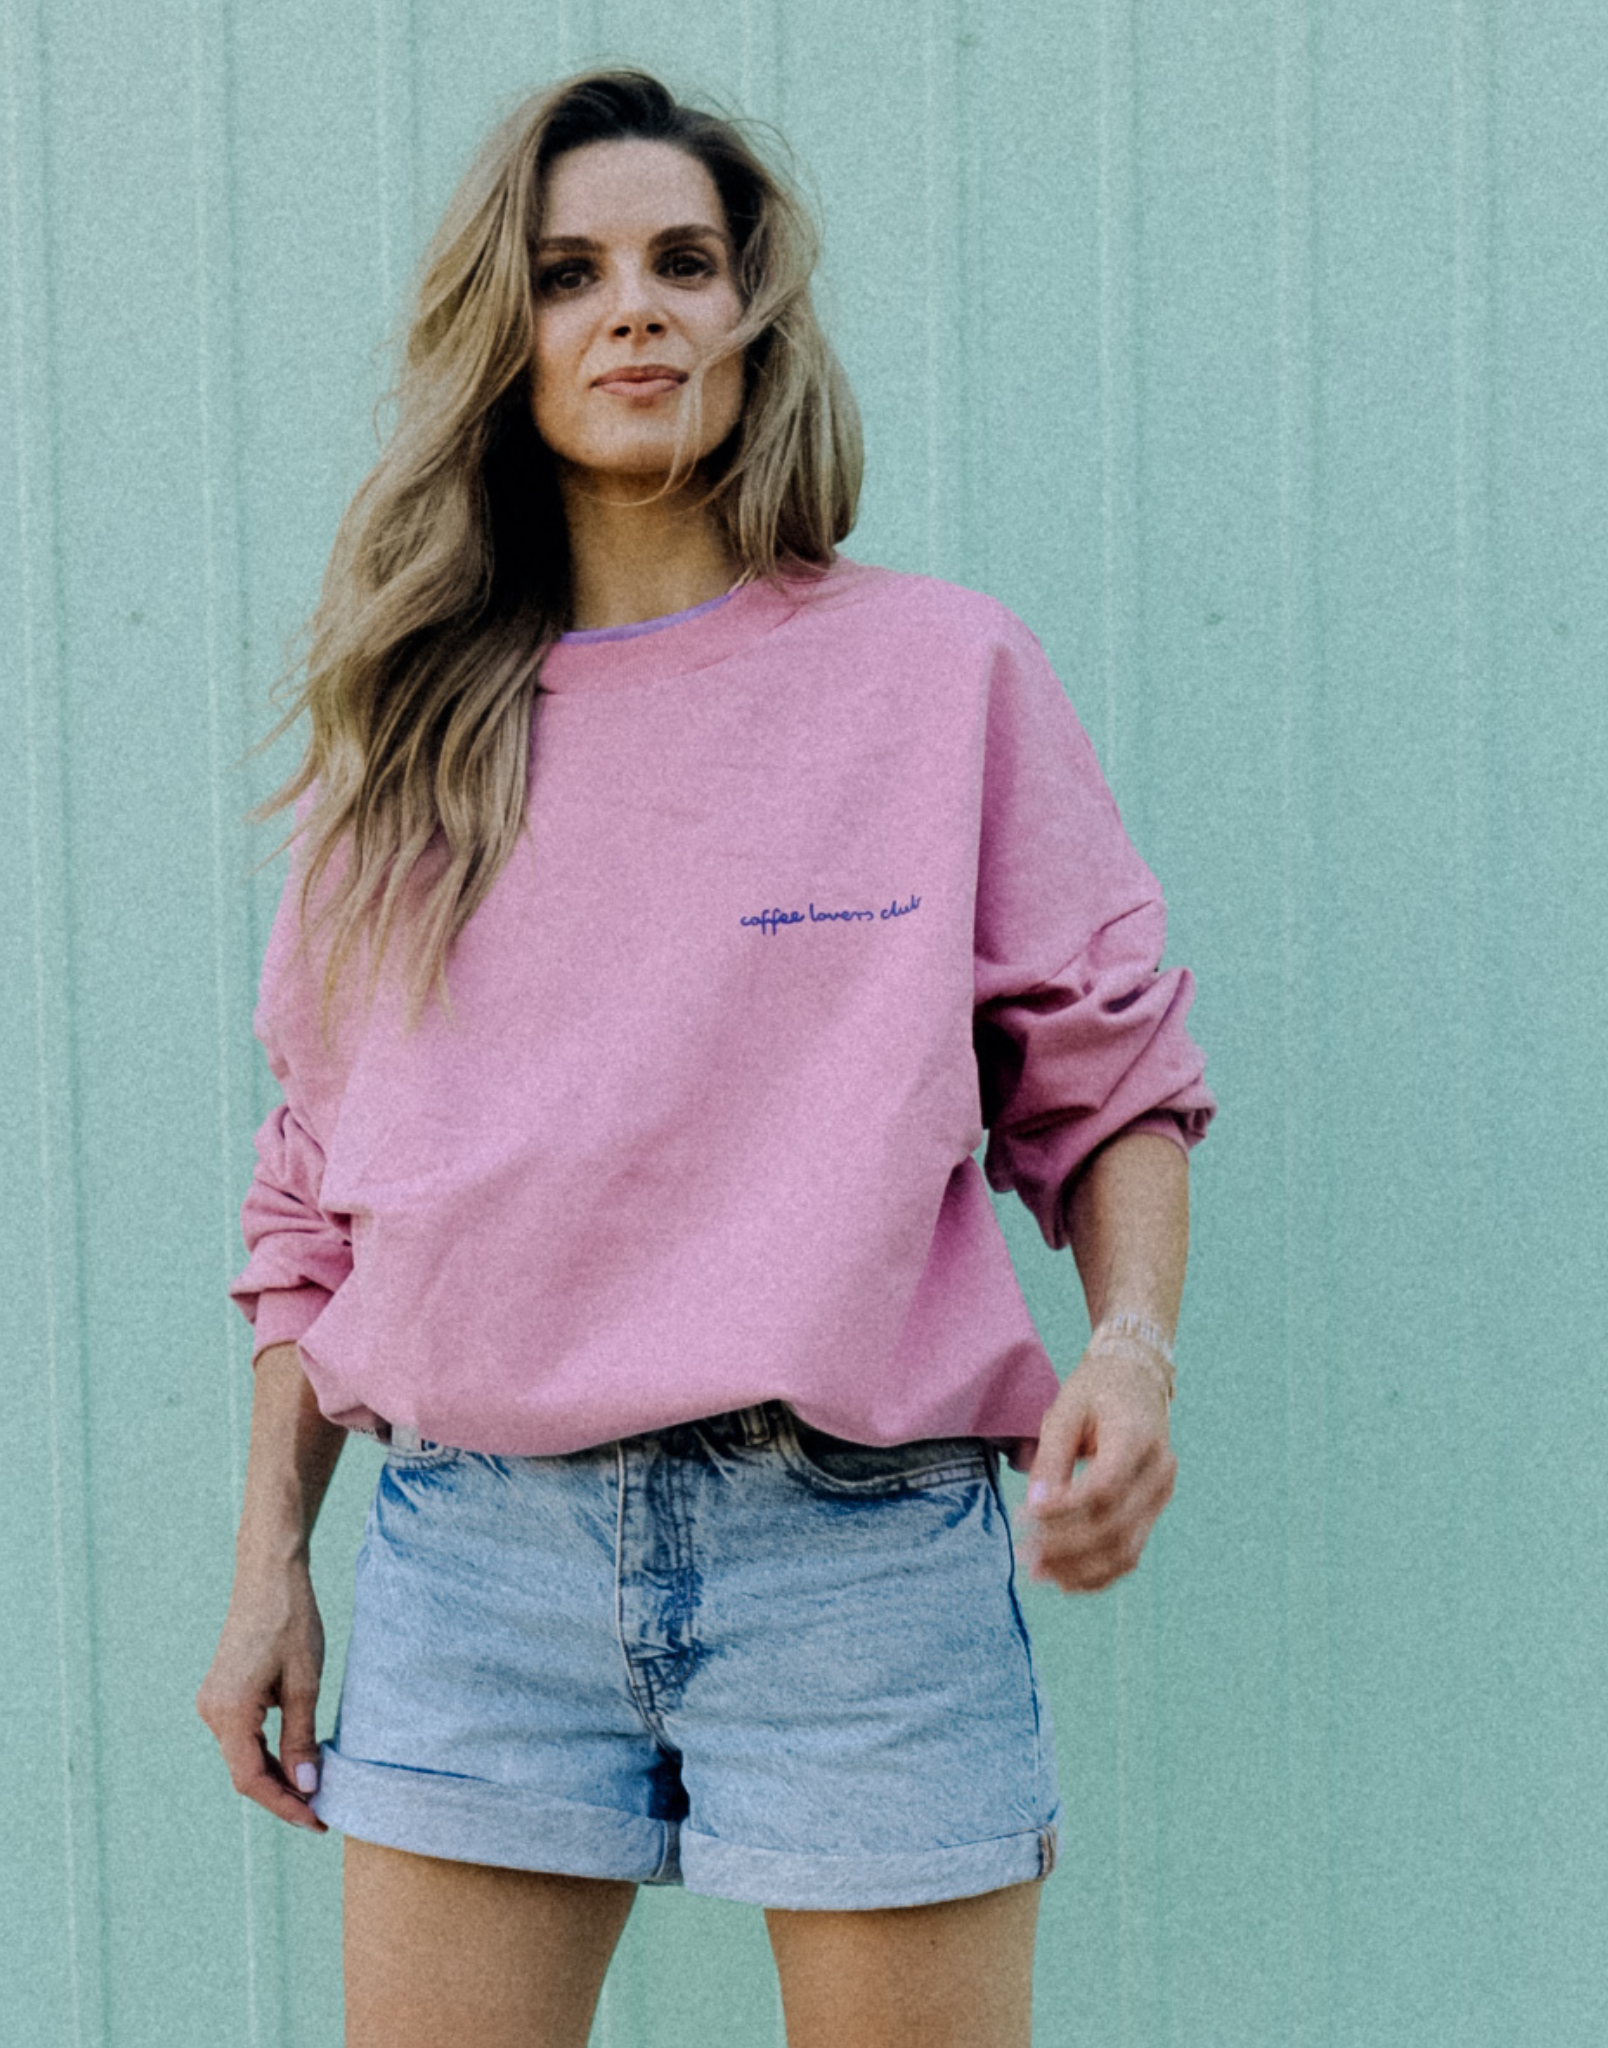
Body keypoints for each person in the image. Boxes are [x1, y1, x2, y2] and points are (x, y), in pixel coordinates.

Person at [195, 65, 1215, 2048]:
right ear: (507, 339)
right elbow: (313, 1192)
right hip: (478, 1564)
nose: (634, 309)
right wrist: (267, 1567)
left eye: (684, 261)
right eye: (569, 273)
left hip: (856, 1563)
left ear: (754, 316)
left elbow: (1105, 1079)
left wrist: (1130, 1349)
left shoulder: (939, 675)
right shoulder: (408, 738)